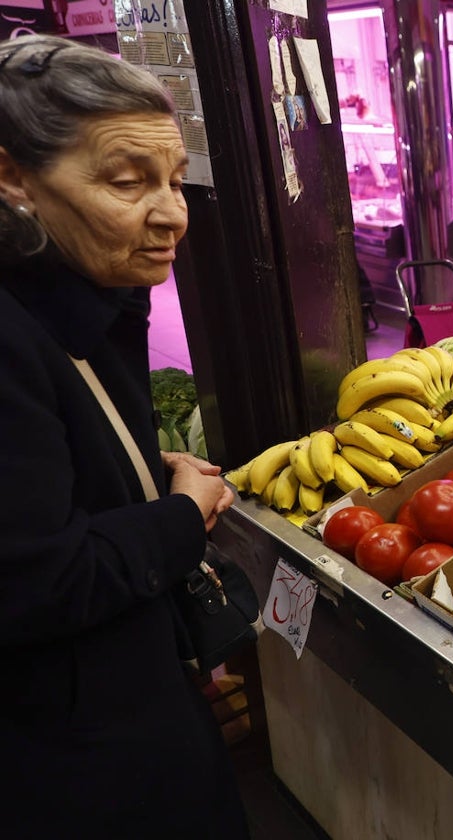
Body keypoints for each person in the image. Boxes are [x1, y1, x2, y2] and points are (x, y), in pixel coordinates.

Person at [0, 35, 248, 837]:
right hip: (75, 758)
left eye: (174, 180)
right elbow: (30, 581)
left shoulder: (80, 286)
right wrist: (179, 516)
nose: (173, 212)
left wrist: (136, 467)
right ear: (13, 177)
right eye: (126, 181)